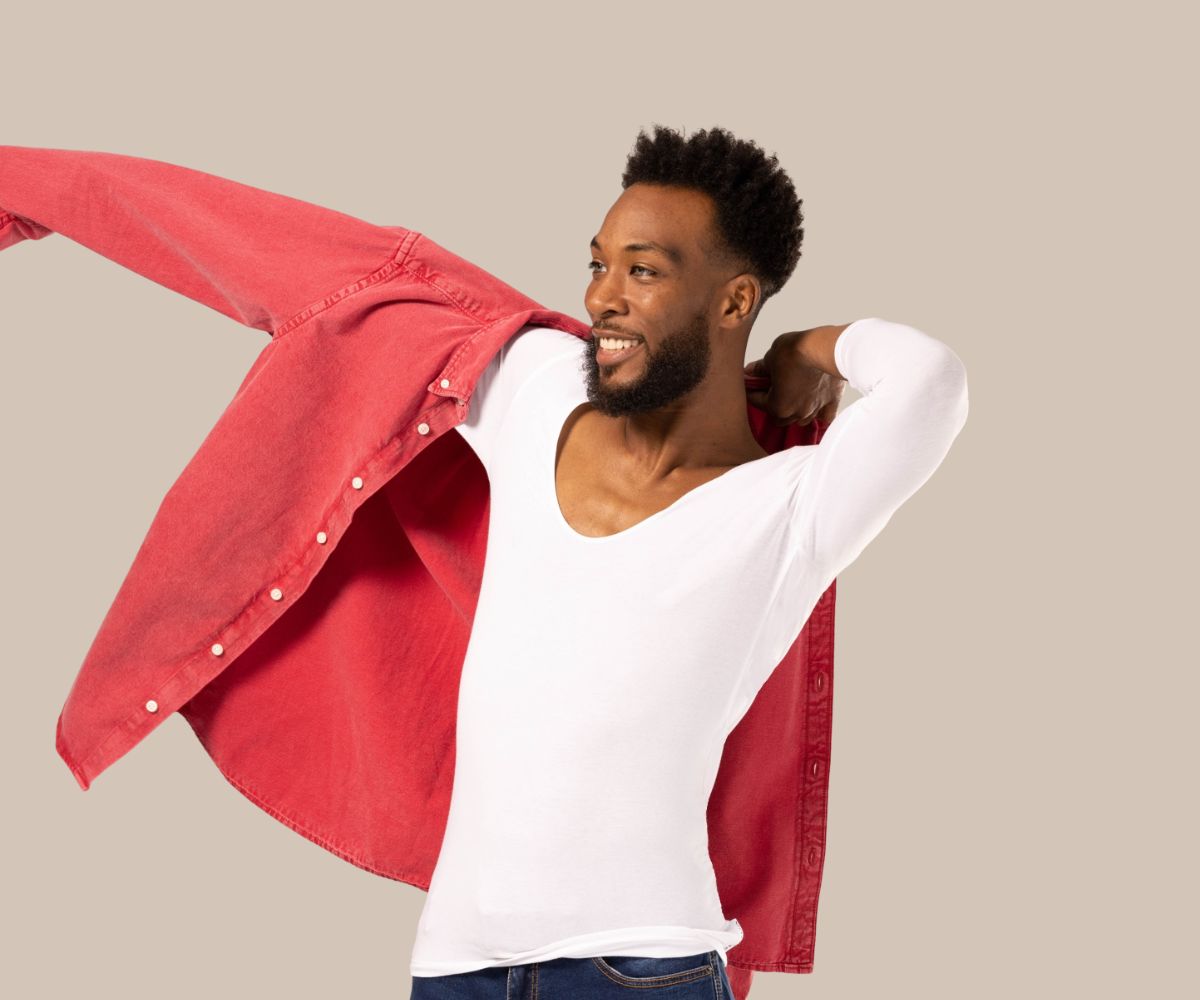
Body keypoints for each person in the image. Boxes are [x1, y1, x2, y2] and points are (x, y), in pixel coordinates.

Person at [406, 125, 969, 999]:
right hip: (455, 966)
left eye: (643, 270)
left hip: (641, 966)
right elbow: (355, 296)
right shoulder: (538, 388)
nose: (602, 297)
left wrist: (810, 346)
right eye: (597, 265)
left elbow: (930, 379)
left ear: (735, 300)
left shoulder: (791, 506)